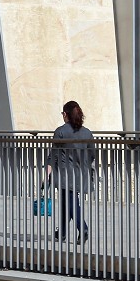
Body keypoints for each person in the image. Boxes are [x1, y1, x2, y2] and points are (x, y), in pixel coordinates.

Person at [44, 100, 95, 243]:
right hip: (82, 175)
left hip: (65, 175)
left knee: (71, 203)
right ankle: (62, 233)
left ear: (65, 114)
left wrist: (47, 173)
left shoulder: (60, 131)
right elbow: (92, 154)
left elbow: (53, 155)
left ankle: (83, 228)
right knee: (67, 203)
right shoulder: (87, 133)